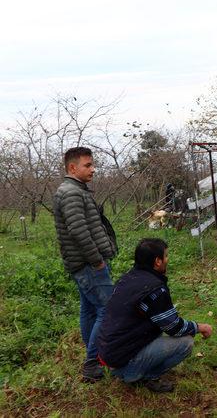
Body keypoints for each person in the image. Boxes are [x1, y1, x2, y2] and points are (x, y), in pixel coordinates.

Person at [97, 239, 213, 393]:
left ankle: (132, 368)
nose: (167, 259)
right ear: (157, 262)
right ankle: (145, 375)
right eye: (166, 256)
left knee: (158, 326)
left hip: (111, 354)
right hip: (122, 362)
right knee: (186, 342)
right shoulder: (154, 289)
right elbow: (174, 327)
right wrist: (200, 327)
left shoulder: (127, 279)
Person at [53, 147, 118, 382]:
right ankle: (92, 363)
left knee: (89, 310)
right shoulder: (71, 193)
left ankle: (92, 355)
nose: (93, 169)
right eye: (87, 165)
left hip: (84, 263)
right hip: (89, 264)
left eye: (92, 165)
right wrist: (97, 260)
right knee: (107, 310)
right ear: (73, 168)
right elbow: (79, 232)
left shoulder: (76, 190)